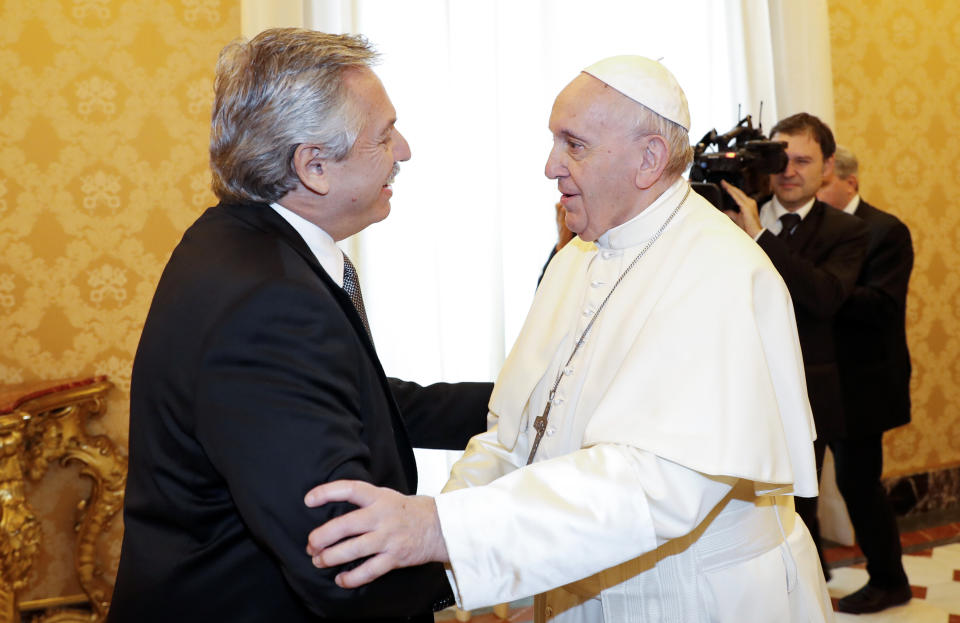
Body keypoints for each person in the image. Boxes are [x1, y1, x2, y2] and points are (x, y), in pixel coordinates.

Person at [303, 56, 834, 622]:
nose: (551, 165)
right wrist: (442, 536)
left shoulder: (720, 272)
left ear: (649, 158)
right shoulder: (575, 259)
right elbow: (514, 433)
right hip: (580, 585)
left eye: (573, 144)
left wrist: (447, 532)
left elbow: (657, 483)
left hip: (696, 597)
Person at [107, 29, 491, 623]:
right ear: (313, 167)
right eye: (384, 136)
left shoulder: (235, 239)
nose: (405, 151)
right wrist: (506, 548)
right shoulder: (268, 302)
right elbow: (340, 559)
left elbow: (348, 403)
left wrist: (518, 404)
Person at [721, 114, 870, 584]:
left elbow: (824, 296)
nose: (789, 170)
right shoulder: (728, 214)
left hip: (807, 392)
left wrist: (759, 237)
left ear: (827, 167)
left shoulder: (847, 232)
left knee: (798, 509)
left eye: (803, 160)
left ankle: (806, 595)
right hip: (734, 386)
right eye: (781, 158)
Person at [815, 146, 914, 613]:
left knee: (859, 485)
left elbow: (882, 306)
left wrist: (824, 287)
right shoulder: (809, 233)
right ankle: (813, 571)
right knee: (801, 487)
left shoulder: (886, 230)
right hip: (816, 383)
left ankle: (890, 579)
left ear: (848, 182)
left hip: (862, 384)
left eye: (822, 183)